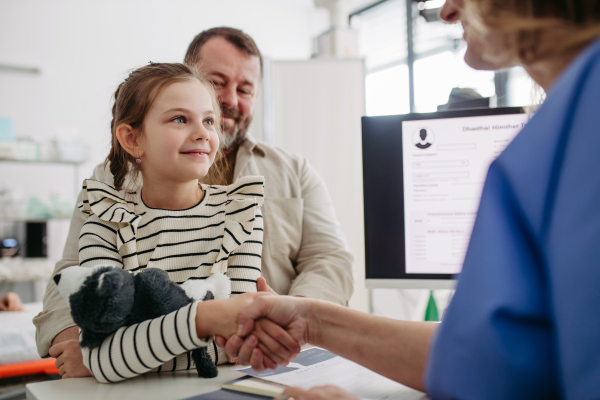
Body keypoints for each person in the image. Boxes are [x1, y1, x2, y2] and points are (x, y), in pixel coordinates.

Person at [219, 0, 600, 398]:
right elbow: (491, 360)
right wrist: (309, 319)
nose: (448, 11)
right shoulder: (564, 127)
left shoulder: (574, 133)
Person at [34, 27, 353, 377]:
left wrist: (287, 319)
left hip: (261, 366)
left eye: (245, 89)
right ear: (188, 75)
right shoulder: (107, 190)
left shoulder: (291, 174)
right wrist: (89, 345)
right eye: (218, 82)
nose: (231, 98)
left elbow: (330, 259)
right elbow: (72, 276)